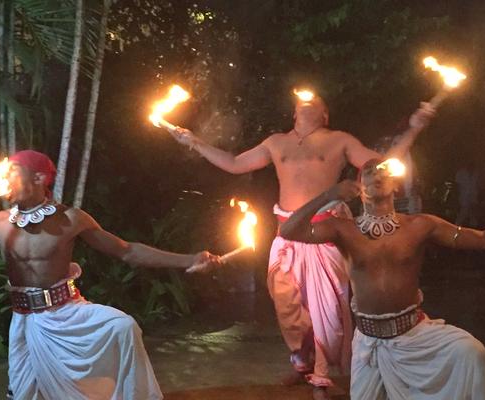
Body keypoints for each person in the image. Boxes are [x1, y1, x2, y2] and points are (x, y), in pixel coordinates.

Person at [169, 94, 435, 399]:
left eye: (315, 100)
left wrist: (414, 129)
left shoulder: (339, 140)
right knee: (287, 304)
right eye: (301, 101)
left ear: (325, 114)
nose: (307, 100)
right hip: (287, 232)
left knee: (327, 311)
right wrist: (194, 141)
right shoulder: (276, 142)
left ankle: (321, 375)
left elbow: (382, 166)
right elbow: (234, 163)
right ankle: (301, 363)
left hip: (325, 231)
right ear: (294, 113)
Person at [279, 158, 485, 399]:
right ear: (359, 187)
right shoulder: (343, 229)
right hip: (369, 343)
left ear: (396, 185)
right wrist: (328, 195)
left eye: (383, 171)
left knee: (471, 352)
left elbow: (484, 239)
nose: (377, 175)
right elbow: (289, 231)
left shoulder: (420, 225)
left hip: (413, 335)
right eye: (369, 172)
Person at [0, 150, 221, 400]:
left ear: (39, 177)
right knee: (26, 394)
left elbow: (127, 251)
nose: (5, 180)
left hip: (66, 313)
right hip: (25, 321)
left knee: (122, 326)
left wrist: (189, 259)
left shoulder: (71, 218)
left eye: (12, 172)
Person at [455, 158, 478, 227]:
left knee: (473, 214)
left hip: (473, 197)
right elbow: (457, 186)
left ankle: (473, 228)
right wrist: (456, 198)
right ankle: (456, 227)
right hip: (463, 196)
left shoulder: (476, 174)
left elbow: (477, 185)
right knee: (463, 213)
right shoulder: (461, 173)